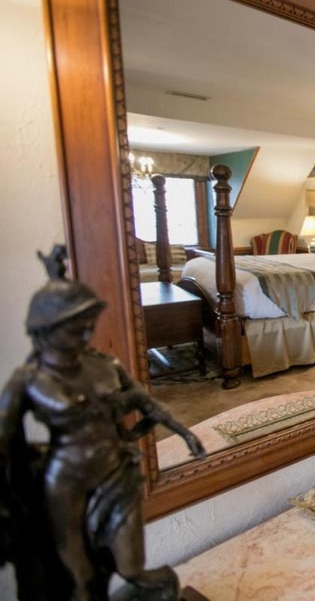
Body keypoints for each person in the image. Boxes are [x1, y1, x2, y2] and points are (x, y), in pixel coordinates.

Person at [0, 247, 206, 600]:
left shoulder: (104, 365)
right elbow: (4, 441)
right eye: (76, 327)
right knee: (76, 578)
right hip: (66, 480)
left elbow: (148, 404)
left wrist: (185, 434)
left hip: (116, 471)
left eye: (87, 325)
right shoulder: (30, 379)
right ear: (49, 329)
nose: (85, 334)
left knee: (132, 567)